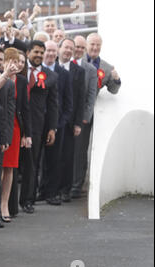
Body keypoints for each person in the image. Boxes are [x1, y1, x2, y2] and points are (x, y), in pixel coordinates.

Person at [19, 40, 58, 214]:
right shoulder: (18, 70)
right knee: (11, 166)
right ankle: (9, 203)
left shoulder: (50, 76)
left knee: (31, 165)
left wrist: (52, 128)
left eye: (42, 53)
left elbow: (53, 105)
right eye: (36, 52)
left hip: (36, 127)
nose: (39, 56)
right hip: (15, 123)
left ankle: (28, 200)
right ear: (28, 53)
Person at [38, 40, 73, 205]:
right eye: (47, 51)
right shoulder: (36, 71)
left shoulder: (64, 74)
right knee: (37, 161)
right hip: (38, 123)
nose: (50, 54)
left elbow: (68, 102)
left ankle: (51, 193)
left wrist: (61, 123)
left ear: (57, 52)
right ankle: (38, 192)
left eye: (53, 51)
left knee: (54, 160)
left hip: (56, 124)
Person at [0, 48, 30, 223]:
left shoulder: (22, 81)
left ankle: (4, 204)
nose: (16, 64)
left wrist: (27, 134)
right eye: (12, 60)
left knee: (9, 168)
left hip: (15, 128)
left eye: (19, 61)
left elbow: (25, 108)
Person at [57, 38, 86, 203]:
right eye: (66, 47)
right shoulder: (52, 66)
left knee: (67, 157)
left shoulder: (78, 71)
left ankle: (65, 190)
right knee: (51, 157)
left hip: (69, 122)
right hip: (53, 120)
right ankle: (49, 189)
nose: (68, 51)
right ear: (60, 48)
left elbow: (81, 98)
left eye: (71, 49)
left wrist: (77, 123)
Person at [71, 35, 98, 199]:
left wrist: (85, 118)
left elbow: (91, 96)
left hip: (81, 119)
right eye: (77, 47)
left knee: (79, 153)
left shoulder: (91, 70)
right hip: (65, 117)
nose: (79, 50)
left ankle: (76, 186)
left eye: (82, 47)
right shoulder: (63, 65)